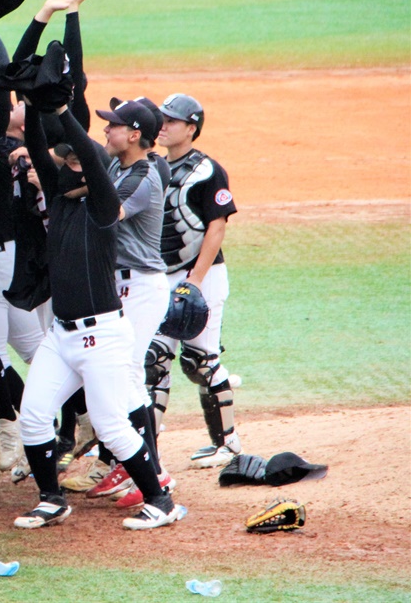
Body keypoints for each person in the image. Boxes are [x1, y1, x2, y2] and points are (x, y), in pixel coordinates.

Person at [15, 91, 184, 531]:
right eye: (64, 162)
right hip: (64, 331)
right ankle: (50, 499)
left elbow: (94, 169)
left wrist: (62, 110)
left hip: (113, 320)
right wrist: (35, 103)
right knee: (33, 416)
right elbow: (40, 149)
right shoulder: (66, 196)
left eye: (76, 162)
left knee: (114, 416)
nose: (68, 166)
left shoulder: (112, 200)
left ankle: (159, 497)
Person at [67, 99, 172, 504]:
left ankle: (152, 471)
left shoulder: (144, 175)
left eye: (113, 127)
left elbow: (108, 210)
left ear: (133, 135)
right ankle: (126, 464)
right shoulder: (116, 165)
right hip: (117, 285)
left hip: (142, 286)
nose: (105, 132)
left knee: (127, 371)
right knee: (115, 374)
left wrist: (68, 191)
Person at [150, 93, 242, 468]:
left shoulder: (208, 170)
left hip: (202, 278)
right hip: (162, 278)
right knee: (153, 362)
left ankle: (228, 443)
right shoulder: (154, 165)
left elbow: (217, 227)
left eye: (171, 120)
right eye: (161, 119)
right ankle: (146, 449)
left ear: (191, 128)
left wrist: (195, 281)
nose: (163, 125)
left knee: (201, 362)